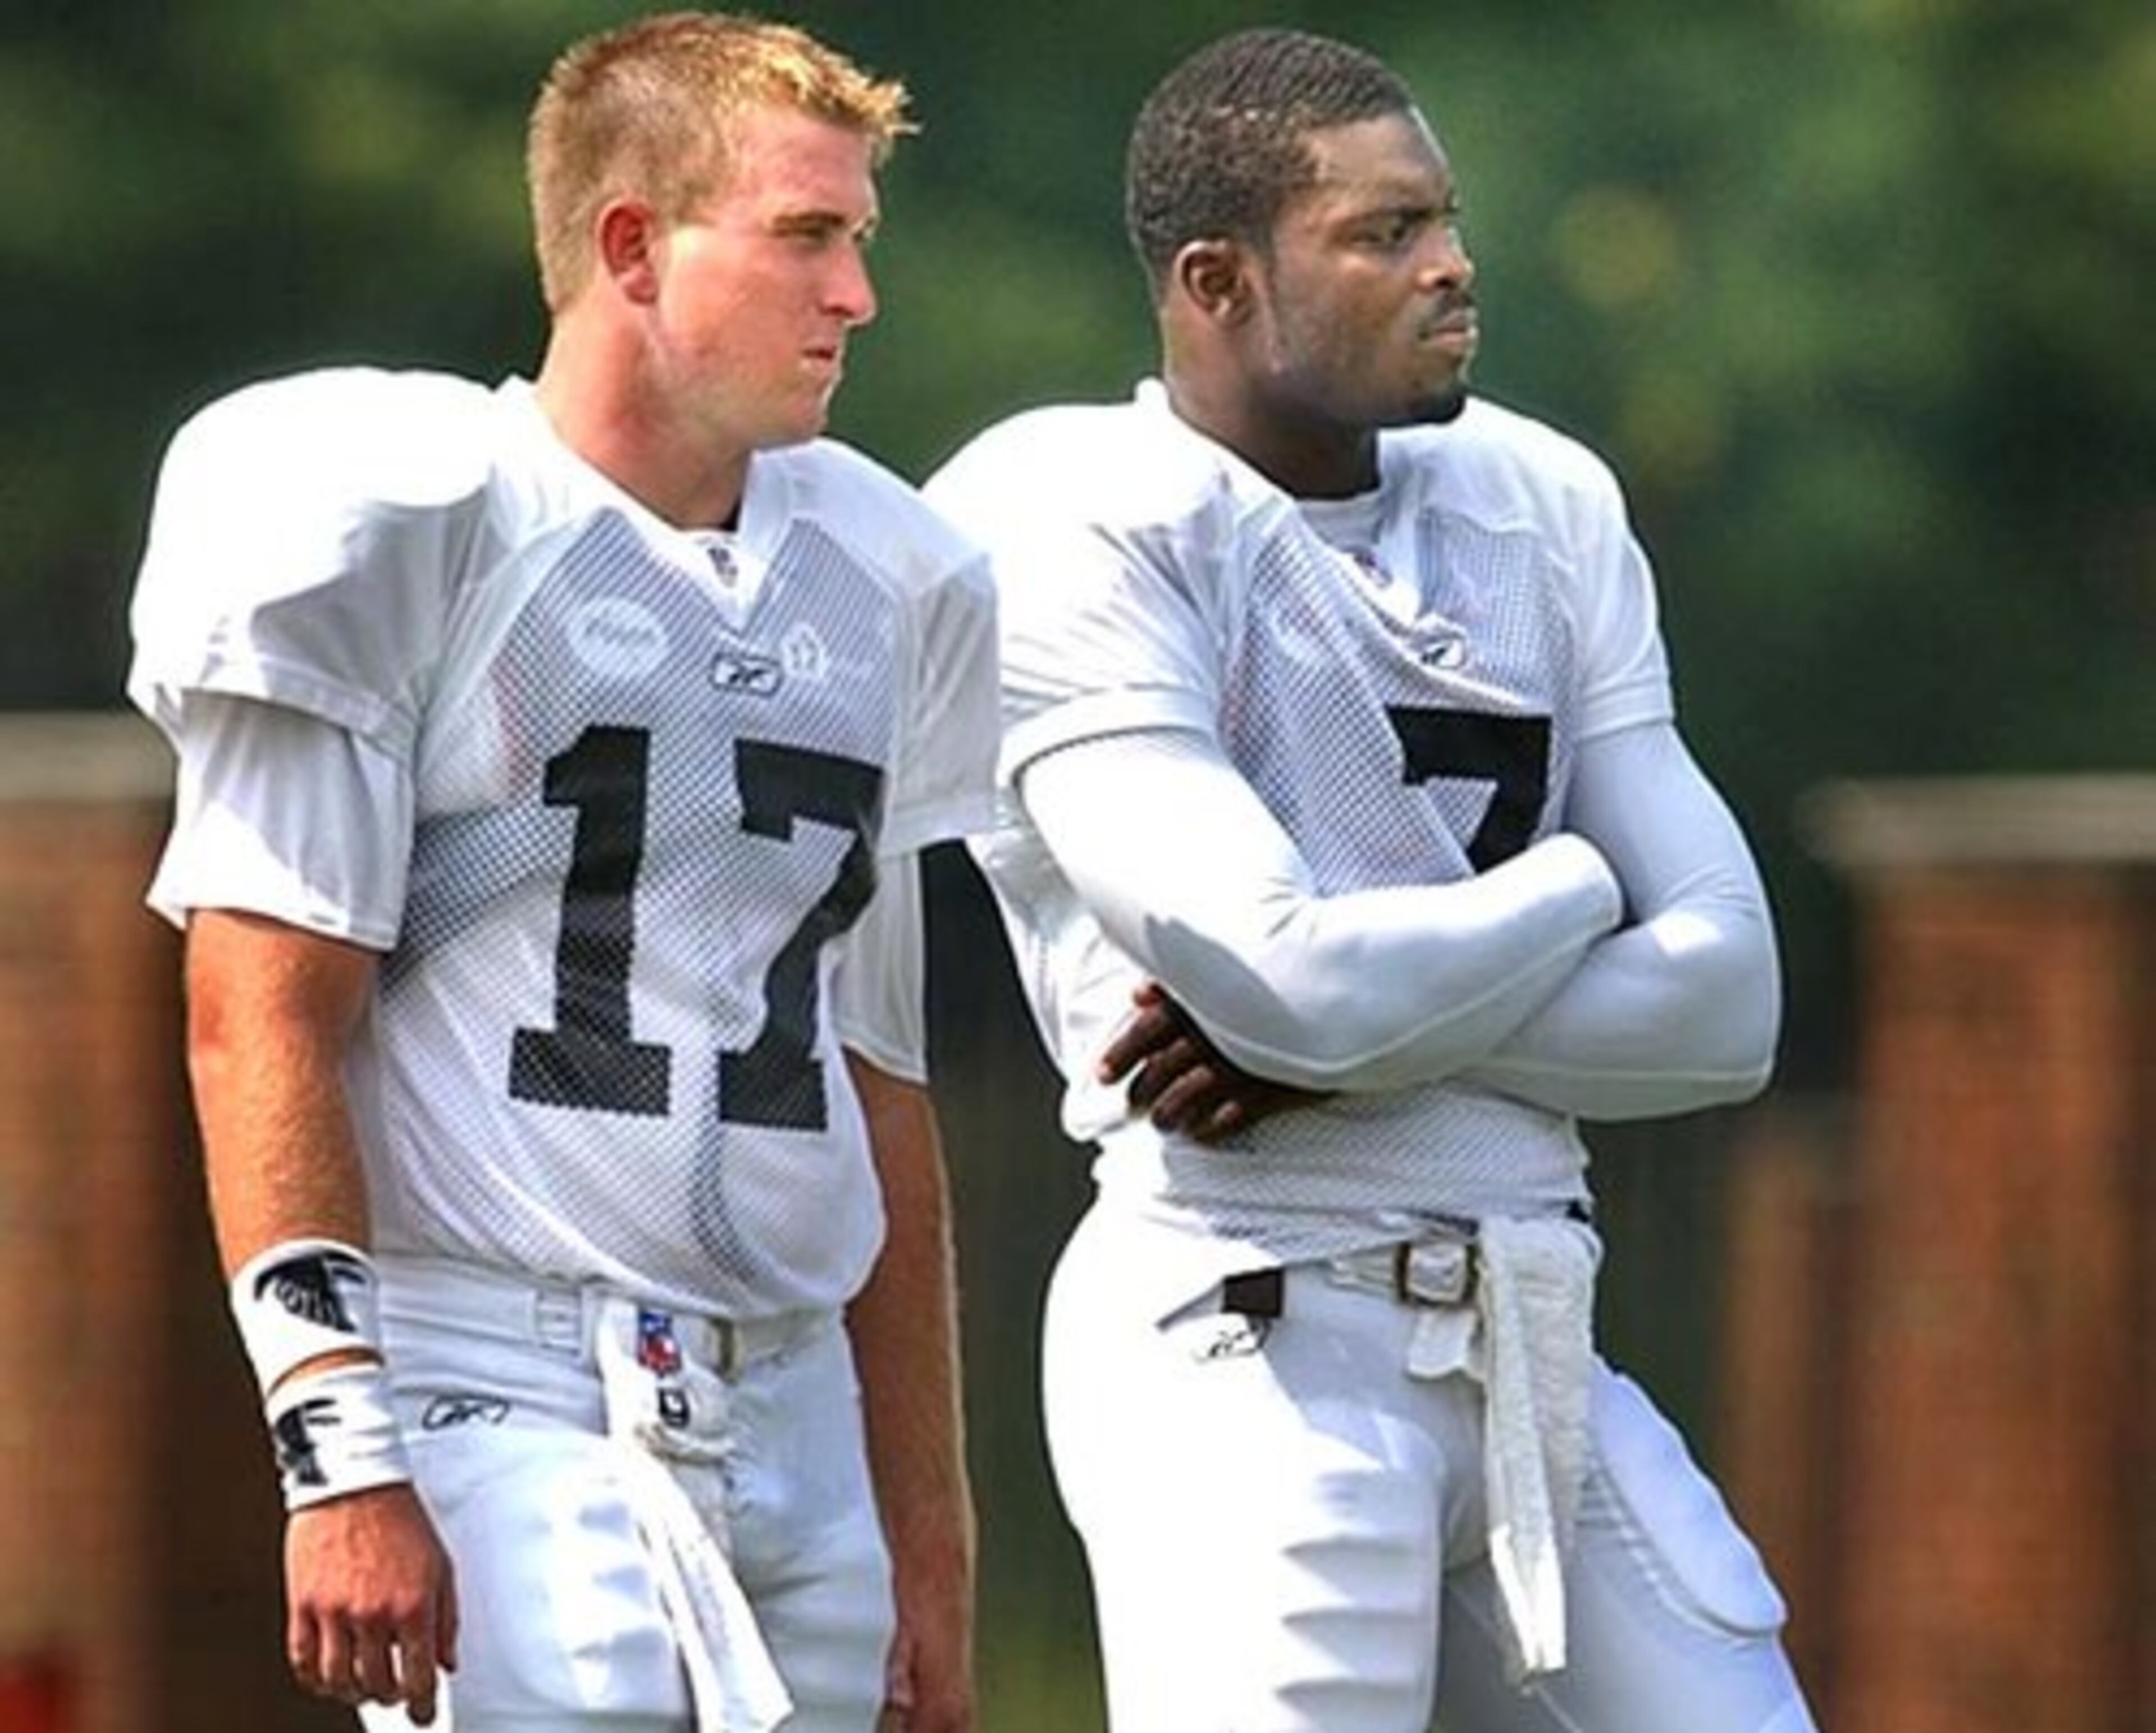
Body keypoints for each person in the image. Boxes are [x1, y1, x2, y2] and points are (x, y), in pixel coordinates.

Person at [924, 26, 1819, 1733]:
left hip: (1535, 1326)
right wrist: (1566, 885)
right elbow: (1286, 977)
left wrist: (1350, 1030)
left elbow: (1732, 1009)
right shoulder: (1078, 513)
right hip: (1252, 1319)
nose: (1452, 262)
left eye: (1448, 219)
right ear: (1218, 281)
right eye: (1384, 232)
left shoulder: (1540, 501)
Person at [126, 13, 992, 1732]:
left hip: (796, 1404)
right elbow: (256, 1015)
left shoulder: (896, 578)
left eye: (860, 242)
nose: (856, 298)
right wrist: (337, 1447)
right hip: (498, 1381)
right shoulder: (413, 515)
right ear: (631, 249)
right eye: (805, 237)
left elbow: (874, 1084)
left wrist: (931, 1537)